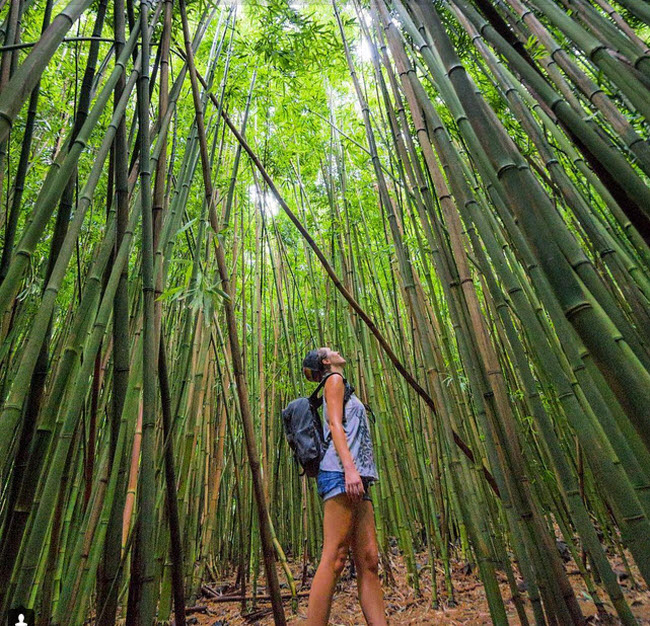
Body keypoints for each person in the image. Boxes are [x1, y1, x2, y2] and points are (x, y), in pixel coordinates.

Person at [302, 347, 388, 625]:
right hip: (341, 473)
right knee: (335, 556)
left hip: (356, 477)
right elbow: (335, 425)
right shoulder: (334, 380)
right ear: (326, 362)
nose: (338, 351)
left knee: (369, 560)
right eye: (331, 350)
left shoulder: (340, 383)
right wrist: (350, 470)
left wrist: (357, 474)